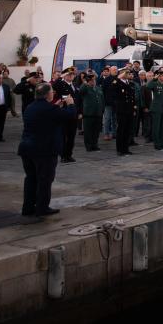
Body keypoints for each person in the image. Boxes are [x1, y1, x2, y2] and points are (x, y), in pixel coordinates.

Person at [18, 83, 75, 219]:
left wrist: (57, 107)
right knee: (44, 180)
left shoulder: (31, 107)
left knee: (31, 179)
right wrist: (71, 104)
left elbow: (48, 116)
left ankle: (28, 207)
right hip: (44, 150)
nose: (53, 93)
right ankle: (42, 207)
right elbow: (70, 116)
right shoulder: (49, 109)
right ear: (47, 94)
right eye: (51, 92)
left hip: (27, 148)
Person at [53, 68, 81, 163]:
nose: (71, 76)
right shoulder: (61, 84)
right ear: (64, 76)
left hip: (73, 113)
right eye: (69, 74)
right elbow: (55, 85)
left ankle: (69, 154)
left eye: (72, 74)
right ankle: (63, 155)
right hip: (64, 113)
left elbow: (78, 100)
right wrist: (61, 76)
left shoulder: (75, 85)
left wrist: (80, 112)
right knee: (63, 136)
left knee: (71, 136)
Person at [113, 68, 137, 156]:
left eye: (128, 73)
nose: (128, 74)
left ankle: (125, 148)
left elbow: (133, 98)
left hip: (129, 110)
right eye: (126, 73)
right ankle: (119, 149)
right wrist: (118, 77)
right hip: (122, 110)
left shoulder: (130, 83)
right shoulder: (118, 82)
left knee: (128, 130)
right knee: (121, 130)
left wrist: (134, 108)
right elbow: (112, 87)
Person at [147, 68, 163, 150]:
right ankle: (157, 144)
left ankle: (162, 143)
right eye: (162, 75)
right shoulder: (155, 84)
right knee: (156, 127)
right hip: (156, 109)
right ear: (159, 76)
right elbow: (148, 86)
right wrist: (154, 78)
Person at [79, 73, 104, 151]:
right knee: (88, 131)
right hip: (88, 113)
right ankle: (89, 146)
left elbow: (102, 99)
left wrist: (102, 109)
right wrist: (85, 82)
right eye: (91, 80)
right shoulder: (85, 88)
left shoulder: (98, 88)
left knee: (96, 131)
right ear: (88, 81)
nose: (93, 82)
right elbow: (81, 91)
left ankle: (94, 144)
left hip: (98, 113)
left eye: (94, 80)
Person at [101, 66, 117, 140]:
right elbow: (103, 91)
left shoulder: (118, 79)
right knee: (107, 119)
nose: (115, 71)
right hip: (108, 102)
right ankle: (106, 134)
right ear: (110, 71)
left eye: (116, 70)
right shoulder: (106, 80)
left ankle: (114, 133)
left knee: (115, 119)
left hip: (116, 103)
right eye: (114, 70)